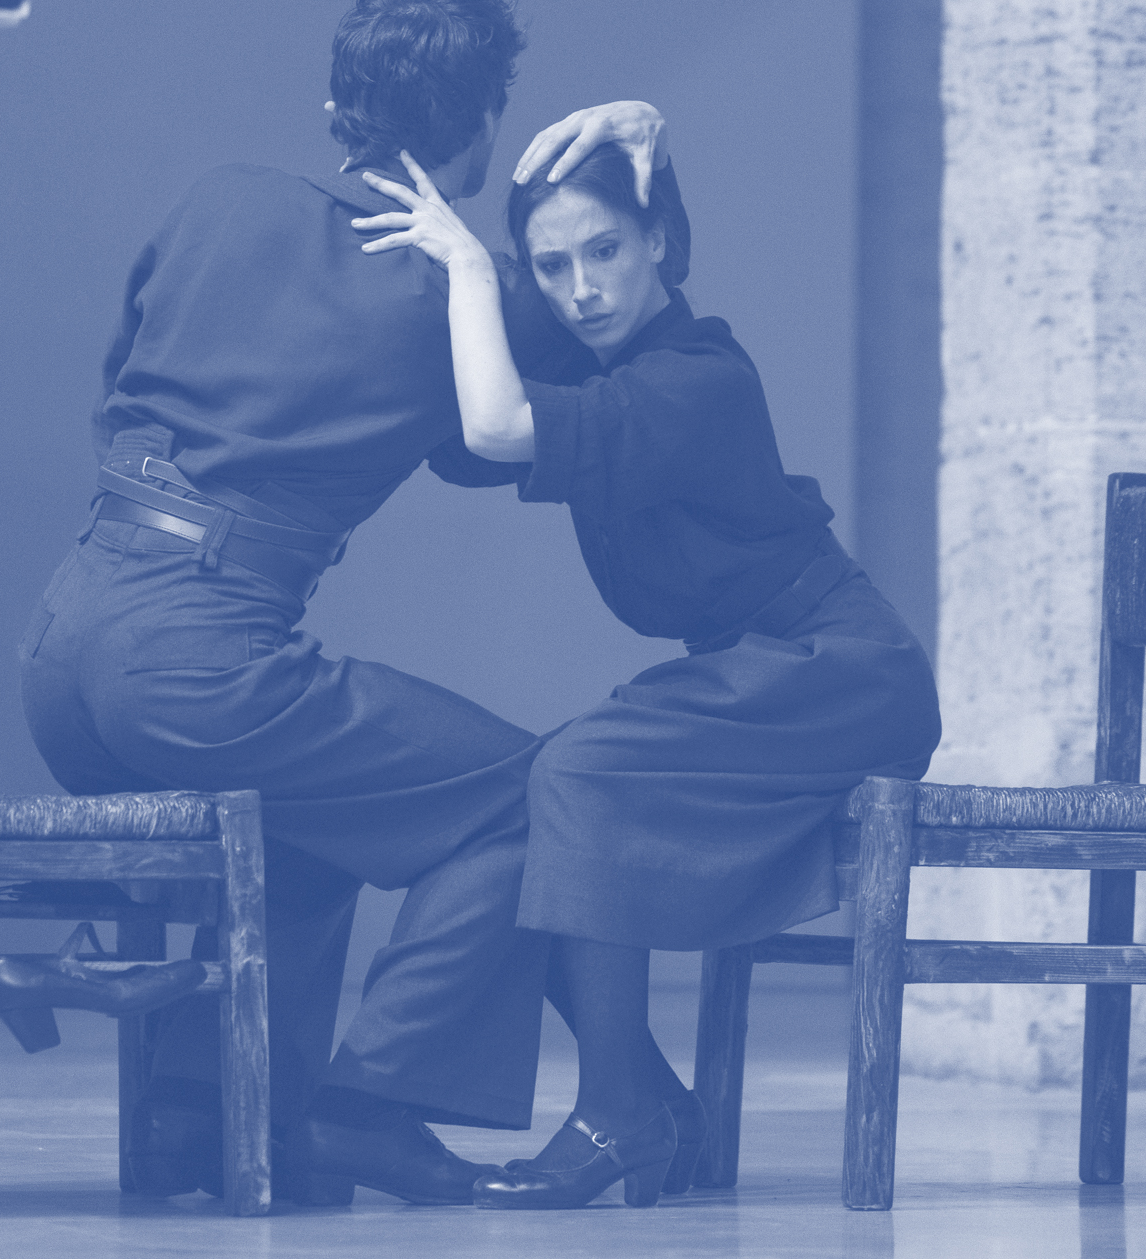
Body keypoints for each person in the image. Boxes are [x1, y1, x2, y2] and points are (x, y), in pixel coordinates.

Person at [14, 0, 667, 1204]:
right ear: (483, 126)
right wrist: (642, 153)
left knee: (308, 823)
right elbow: (620, 346)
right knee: (534, 795)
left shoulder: (220, 198)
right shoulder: (461, 295)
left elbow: (126, 378)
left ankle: (204, 1113)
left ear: (335, 106)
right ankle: (372, 1106)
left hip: (61, 644)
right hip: (197, 663)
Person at [352, 139, 942, 1210]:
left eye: (607, 250)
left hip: (841, 669)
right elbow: (454, 442)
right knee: (546, 801)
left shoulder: (697, 379)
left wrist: (475, 268)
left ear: (660, 242)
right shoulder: (603, 370)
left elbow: (493, 424)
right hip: (762, 667)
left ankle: (614, 1110)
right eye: (552, 265)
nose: (583, 287)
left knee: (578, 772)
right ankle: (649, 1101)